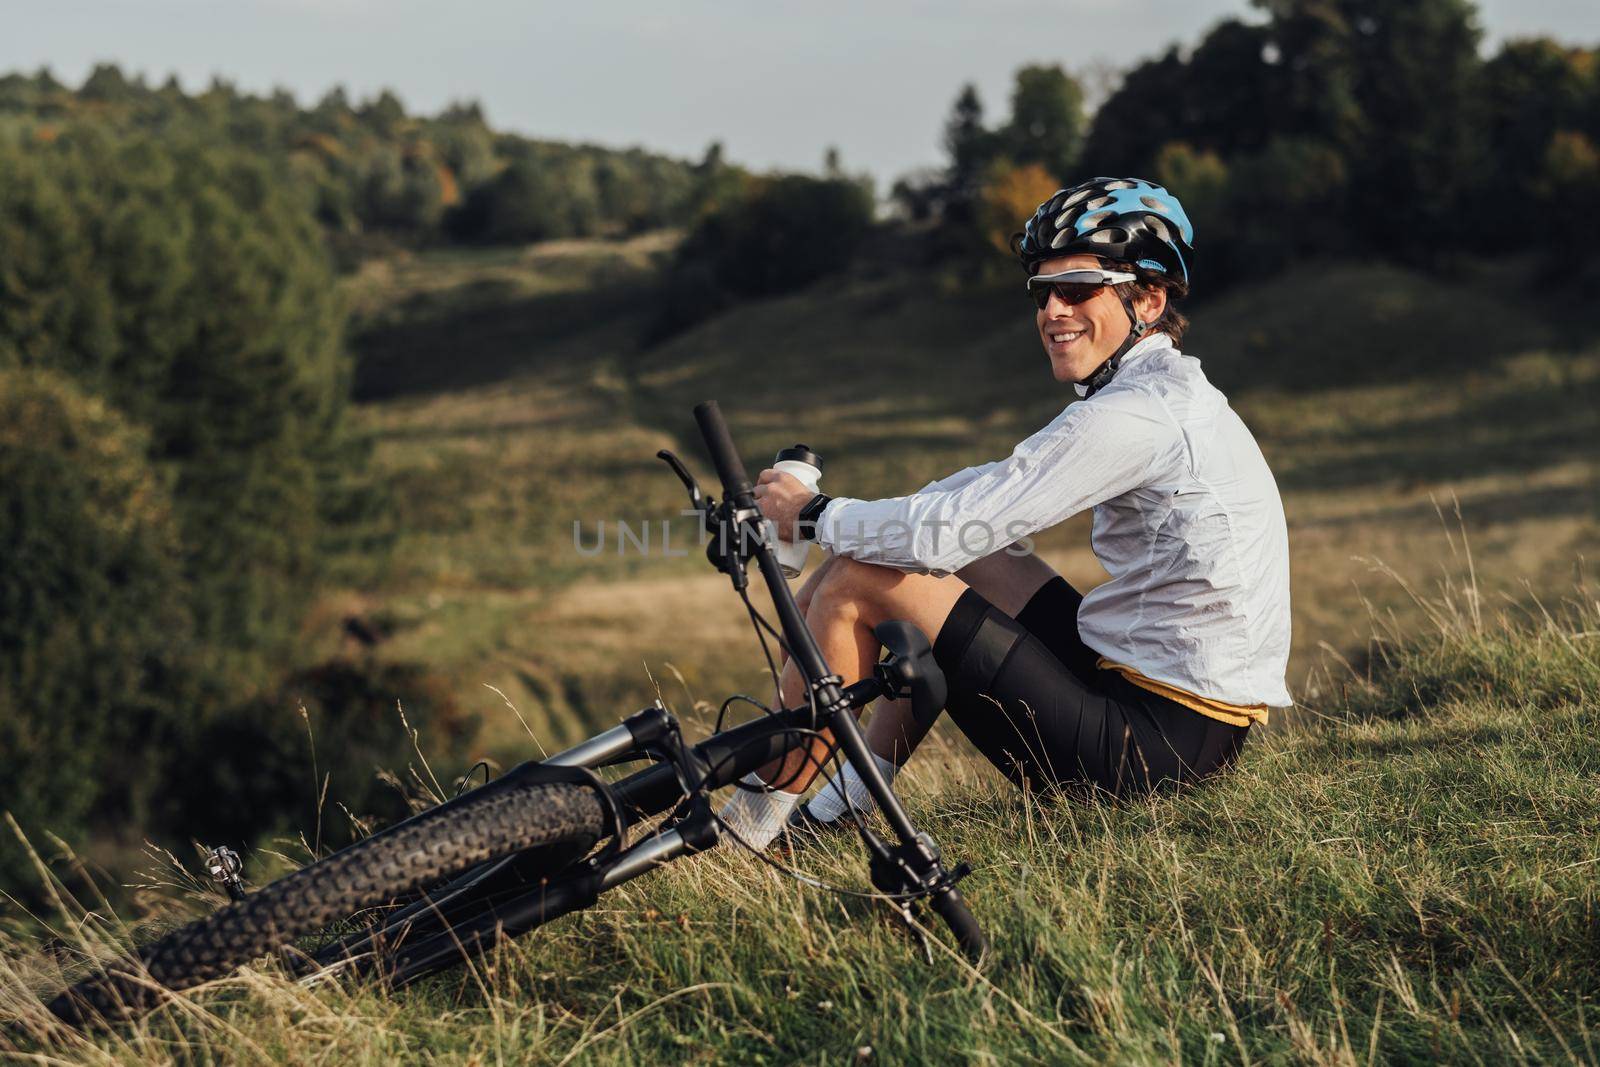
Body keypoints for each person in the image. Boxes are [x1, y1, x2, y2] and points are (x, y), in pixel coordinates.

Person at [718, 177, 1292, 849]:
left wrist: (813, 512)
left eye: (1078, 288)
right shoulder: (1157, 392)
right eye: (1041, 292)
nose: (1053, 310)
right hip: (1167, 712)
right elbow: (976, 497)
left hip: (1154, 752)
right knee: (929, 558)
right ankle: (841, 805)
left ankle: (745, 832)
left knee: (859, 582)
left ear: (1150, 298)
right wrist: (837, 523)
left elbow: (946, 529)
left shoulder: (1138, 416)